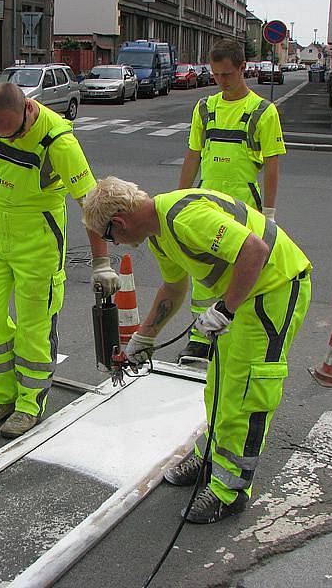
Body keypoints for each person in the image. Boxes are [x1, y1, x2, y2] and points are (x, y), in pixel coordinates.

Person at [82, 177, 311, 524]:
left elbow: (255, 251)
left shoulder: (183, 218)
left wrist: (225, 309)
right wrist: (144, 338)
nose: (119, 245)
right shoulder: (159, 232)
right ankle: (209, 459)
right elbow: (174, 288)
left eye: (111, 238)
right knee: (220, 385)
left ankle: (228, 493)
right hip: (247, 293)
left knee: (247, 392)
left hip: (273, 289)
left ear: (119, 223)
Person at [0, 82, 118, 438]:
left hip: (39, 240)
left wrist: (101, 263)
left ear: (28, 109)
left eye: (12, 131)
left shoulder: (59, 141)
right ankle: (3, 395)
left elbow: (90, 203)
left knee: (34, 326)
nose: (6, 139)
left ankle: (29, 403)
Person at [176, 40, 287, 364]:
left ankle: (232, 333)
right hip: (207, 201)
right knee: (202, 269)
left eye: (227, 74)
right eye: (216, 75)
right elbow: (193, 155)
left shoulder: (263, 112)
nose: (222, 81)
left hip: (244, 206)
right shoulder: (204, 108)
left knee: (242, 270)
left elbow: (272, 164)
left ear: (243, 69)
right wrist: (178, 198)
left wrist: (270, 214)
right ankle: (201, 337)